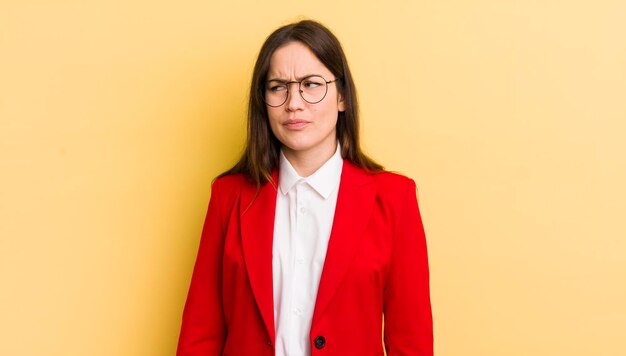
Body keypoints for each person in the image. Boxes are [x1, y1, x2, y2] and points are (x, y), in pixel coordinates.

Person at [177, 19, 433, 356]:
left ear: (342, 96)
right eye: (278, 87)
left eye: (311, 84)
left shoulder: (393, 198)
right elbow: (201, 333)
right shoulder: (229, 196)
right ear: (263, 100)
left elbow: (410, 341)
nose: (293, 102)